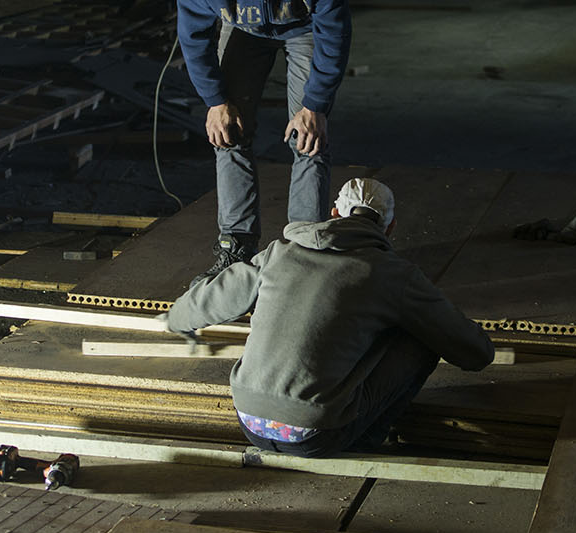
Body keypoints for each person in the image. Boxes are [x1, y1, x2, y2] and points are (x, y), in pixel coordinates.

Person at [163, 178, 495, 458]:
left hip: (249, 422)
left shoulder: (280, 253)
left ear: (333, 214)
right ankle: (365, 440)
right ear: (390, 227)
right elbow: (474, 353)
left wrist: (175, 317)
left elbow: (209, 300)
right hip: (318, 437)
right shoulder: (394, 274)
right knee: (420, 336)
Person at [176, 0, 352, 283]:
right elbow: (193, 39)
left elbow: (334, 37)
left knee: (309, 136)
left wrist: (314, 106)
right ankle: (236, 244)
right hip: (244, 30)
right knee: (228, 130)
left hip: (304, 30)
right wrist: (215, 102)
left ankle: (305, 247)